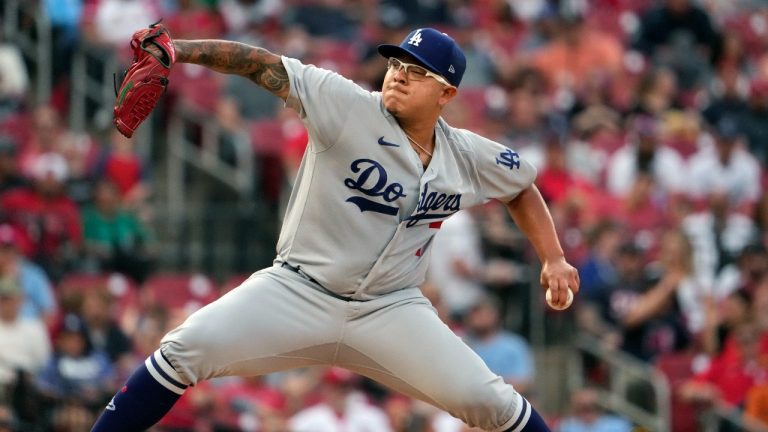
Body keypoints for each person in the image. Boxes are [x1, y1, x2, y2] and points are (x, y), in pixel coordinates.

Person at [91, 26, 580, 432]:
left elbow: (521, 187)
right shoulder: (346, 105)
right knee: (182, 350)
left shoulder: (467, 155)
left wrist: (553, 257)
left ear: (447, 93)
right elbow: (258, 63)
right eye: (395, 65)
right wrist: (180, 50)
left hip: (391, 309)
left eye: (416, 72)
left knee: (493, 403)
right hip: (298, 290)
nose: (398, 77)